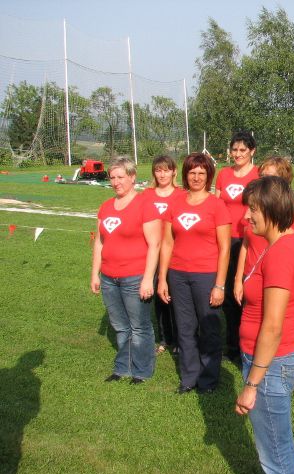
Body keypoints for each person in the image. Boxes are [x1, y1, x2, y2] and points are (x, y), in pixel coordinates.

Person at [235, 176, 294, 474]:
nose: (245, 215)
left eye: (252, 209)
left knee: (276, 457)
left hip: (269, 364)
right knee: (279, 444)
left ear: (271, 209)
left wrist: (252, 385)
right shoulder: (288, 242)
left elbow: (272, 327)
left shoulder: (280, 254)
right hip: (281, 359)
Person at [157, 153, 231, 394]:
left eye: (201, 173)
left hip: (206, 275)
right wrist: (162, 278)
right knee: (185, 327)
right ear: (186, 175)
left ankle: (209, 379)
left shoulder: (217, 205)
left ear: (209, 175)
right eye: (192, 172)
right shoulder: (175, 203)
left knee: (208, 328)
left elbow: (225, 248)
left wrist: (219, 285)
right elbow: (167, 243)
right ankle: (189, 377)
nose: (196, 177)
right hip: (178, 275)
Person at [91, 156, 161, 384]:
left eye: (121, 177)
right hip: (109, 277)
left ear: (132, 177)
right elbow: (100, 242)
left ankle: (142, 370)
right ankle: (123, 367)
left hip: (135, 276)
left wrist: (148, 279)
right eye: (112, 177)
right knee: (120, 326)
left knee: (139, 326)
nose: (116, 182)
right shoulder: (105, 207)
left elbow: (155, 245)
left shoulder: (145, 205)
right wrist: (95, 273)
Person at [233, 156, 294, 306]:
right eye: (261, 176)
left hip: (274, 277)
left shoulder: (292, 211)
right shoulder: (254, 209)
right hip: (250, 275)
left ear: (283, 181)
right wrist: (238, 279)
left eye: (270, 177)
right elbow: (246, 245)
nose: (263, 180)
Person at [215, 131, 259, 361]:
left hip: (249, 241)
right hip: (225, 240)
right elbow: (216, 203)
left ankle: (250, 344)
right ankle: (232, 344)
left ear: (252, 151)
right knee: (229, 293)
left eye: (243, 150)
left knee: (248, 291)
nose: (238, 154)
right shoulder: (223, 174)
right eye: (235, 150)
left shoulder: (258, 174)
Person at [142, 155, 184, 356]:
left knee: (175, 297)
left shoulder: (182, 195)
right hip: (152, 254)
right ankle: (164, 338)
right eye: (158, 170)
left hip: (176, 254)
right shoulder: (146, 195)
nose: (162, 174)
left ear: (174, 172)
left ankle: (179, 339)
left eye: (166, 170)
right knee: (159, 299)